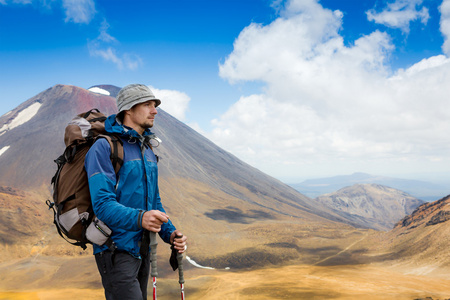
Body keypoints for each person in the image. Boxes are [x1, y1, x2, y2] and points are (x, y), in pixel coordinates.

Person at [85, 84, 187, 300]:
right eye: (148, 105)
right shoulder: (104, 148)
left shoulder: (147, 149)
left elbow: (154, 203)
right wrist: (141, 218)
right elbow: (102, 205)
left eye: (155, 105)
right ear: (128, 109)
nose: (155, 110)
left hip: (143, 249)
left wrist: (170, 233)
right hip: (115, 249)